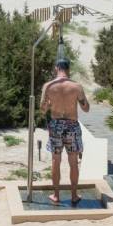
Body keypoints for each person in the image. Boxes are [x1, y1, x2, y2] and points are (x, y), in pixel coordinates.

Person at [40, 58, 90, 204]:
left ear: (56, 68)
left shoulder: (48, 86)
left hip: (55, 124)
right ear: (68, 69)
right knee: (73, 161)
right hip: (72, 125)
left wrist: (50, 105)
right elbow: (86, 109)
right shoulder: (76, 86)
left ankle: (56, 195)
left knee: (56, 160)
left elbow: (42, 110)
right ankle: (74, 195)